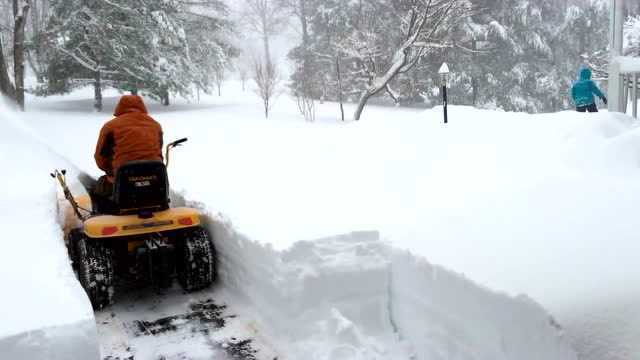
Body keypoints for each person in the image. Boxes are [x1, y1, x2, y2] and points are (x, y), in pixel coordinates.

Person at [93, 95, 163, 211]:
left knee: (99, 188)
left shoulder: (110, 127)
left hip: (123, 180)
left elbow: (100, 158)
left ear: (120, 107)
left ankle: (104, 214)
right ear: (142, 107)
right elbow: (159, 153)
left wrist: (110, 171)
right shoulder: (155, 125)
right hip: (154, 178)